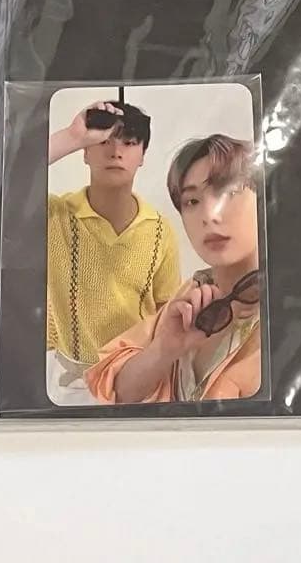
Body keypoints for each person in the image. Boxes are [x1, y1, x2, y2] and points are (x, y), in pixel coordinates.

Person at [85, 134, 261, 404]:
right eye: (192, 201)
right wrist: (165, 350)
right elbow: (114, 389)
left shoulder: (296, 312)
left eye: (229, 192)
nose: (210, 215)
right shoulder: (190, 296)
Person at [46, 100, 180, 404]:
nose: (116, 151)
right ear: (85, 152)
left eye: (129, 142)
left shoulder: (160, 230)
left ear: (142, 155)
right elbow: (4, 177)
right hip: (72, 382)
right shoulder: (55, 216)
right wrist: (72, 136)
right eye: (104, 141)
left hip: (136, 379)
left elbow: (166, 315)